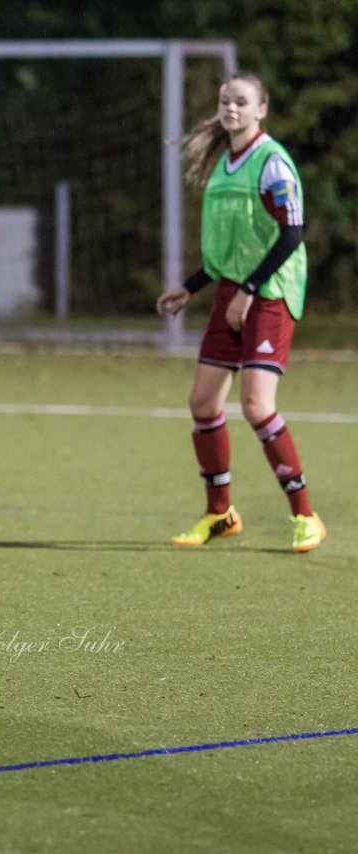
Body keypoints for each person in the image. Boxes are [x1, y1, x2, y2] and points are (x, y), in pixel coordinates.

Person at [157, 71, 325, 553]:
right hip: (234, 290)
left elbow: (292, 233)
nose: (231, 109)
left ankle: (305, 516)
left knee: (256, 406)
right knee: (204, 404)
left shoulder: (272, 162)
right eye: (225, 101)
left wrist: (251, 289)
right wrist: (190, 287)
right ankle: (220, 514)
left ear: (261, 110)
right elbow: (228, 249)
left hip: (270, 292)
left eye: (242, 102)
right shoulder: (224, 166)